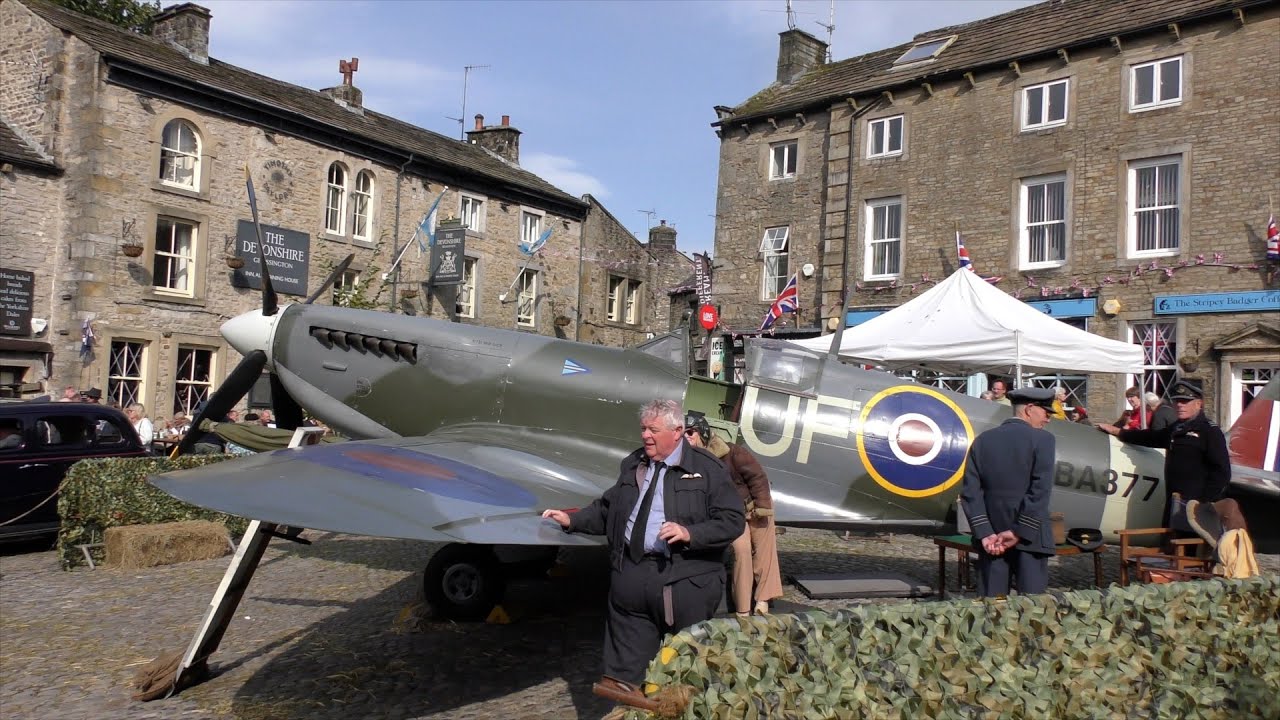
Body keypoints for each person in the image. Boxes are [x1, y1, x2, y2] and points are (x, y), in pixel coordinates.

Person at [541, 399, 743, 687]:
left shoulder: (707, 469)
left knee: (683, 675)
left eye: (653, 429)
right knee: (625, 677)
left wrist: (691, 534)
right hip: (632, 579)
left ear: (677, 431)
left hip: (684, 579)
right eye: (643, 429)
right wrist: (572, 520)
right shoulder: (634, 464)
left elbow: (732, 520)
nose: (646, 435)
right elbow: (608, 510)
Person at [682, 411, 782, 617]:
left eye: (690, 432)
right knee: (741, 549)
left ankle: (763, 599)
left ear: (701, 433)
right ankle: (743, 608)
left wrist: (762, 507)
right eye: (682, 433)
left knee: (765, 547)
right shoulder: (688, 463)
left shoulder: (732, 452)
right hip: (730, 514)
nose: (686, 437)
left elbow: (758, 477)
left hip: (754, 504)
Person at [960, 387, 1057, 597]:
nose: (1048, 419)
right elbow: (1039, 491)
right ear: (1030, 409)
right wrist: (1018, 532)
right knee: (1032, 611)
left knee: (992, 609)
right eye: (1046, 413)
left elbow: (971, 493)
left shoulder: (982, 440)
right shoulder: (1043, 440)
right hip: (1031, 538)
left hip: (992, 541)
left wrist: (985, 533)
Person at [1097, 378, 1230, 525]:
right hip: (1174, 500)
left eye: (1185, 401)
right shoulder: (1176, 428)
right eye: (1177, 401)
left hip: (1196, 504)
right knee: (1172, 543)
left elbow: (1222, 472)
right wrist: (1118, 431)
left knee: (1189, 545)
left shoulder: (1209, 431)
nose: (1179, 405)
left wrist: (1203, 502)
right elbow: (1151, 437)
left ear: (1198, 404)